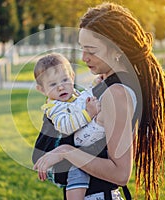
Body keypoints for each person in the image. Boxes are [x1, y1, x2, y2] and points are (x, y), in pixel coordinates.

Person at [34, 2, 165, 200]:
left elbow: (121, 173)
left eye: (91, 51)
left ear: (117, 50)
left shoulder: (117, 94)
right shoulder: (107, 85)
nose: (83, 57)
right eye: (82, 49)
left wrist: (66, 151)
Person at [34, 52, 104, 200]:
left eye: (65, 80)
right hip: (59, 158)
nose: (61, 87)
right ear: (41, 89)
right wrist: (88, 115)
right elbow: (66, 126)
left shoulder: (74, 96)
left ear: (72, 77)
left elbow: (84, 99)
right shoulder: (53, 108)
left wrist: (96, 85)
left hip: (76, 147)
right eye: (53, 84)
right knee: (77, 171)